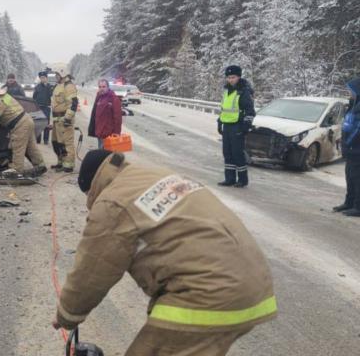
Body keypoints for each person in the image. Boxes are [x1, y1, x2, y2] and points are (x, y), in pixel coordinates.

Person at [53, 150, 277, 356]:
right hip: (254, 284)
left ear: (93, 186)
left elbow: (92, 271)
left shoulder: (112, 201)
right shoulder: (153, 175)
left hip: (208, 295)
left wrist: (67, 314)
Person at [0, 85, 46, 176]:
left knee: (17, 146)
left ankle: (16, 169)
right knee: (30, 145)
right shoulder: (4, 96)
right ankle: (40, 165)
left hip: (19, 125)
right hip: (27, 120)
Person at [217, 65, 255, 188]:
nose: (230, 80)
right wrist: (220, 121)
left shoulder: (243, 91)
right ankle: (230, 179)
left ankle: (242, 180)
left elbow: (250, 111)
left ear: (239, 77)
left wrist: (245, 126)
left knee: (237, 154)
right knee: (227, 153)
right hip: (227, 126)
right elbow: (224, 109)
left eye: (233, 77)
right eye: (228, 77)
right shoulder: (227, 90)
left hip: (237, 126)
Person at [334, 77, 360, 217]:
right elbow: (348, 125)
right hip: (350, 149)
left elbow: (357, 130)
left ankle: (358, 207)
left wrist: (348, 143)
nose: (349, 92)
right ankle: (349, 202)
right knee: (349, 177)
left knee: (357, 178)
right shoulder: (353, 104)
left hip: (356, 149)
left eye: (351, 90)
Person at [51, 72, 78, 172]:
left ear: (62, 74)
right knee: (57, 142)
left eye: (57, 74)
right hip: (56, 120)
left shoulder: (69, 86)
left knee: (66, 143)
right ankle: (61, 162)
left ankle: (68, 165)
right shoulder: (58, 86)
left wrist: (67, 119)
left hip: (64, 120)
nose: (55, 76)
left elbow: (73, 104)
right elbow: (54, 104)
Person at [88, 79, 122, 149]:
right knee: (101, 152)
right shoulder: (99, 97)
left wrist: (116, 132)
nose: (101, 89)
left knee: (106, 154)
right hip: (99, 132)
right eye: (100, 87)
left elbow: (118, 118)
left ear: (108, 87)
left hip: (108, 133)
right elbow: (94, 114)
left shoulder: (113, 98)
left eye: (104, 87)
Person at [33, 71, 54, 145]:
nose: (42, 79)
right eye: (41, 78)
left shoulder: (50, 87)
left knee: (46, 124)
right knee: (38, 123)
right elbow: (34, 97)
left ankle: (46, 139)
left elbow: (52, 95)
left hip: (46, 107)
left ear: (46, 78)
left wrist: (47, 86)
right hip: (38, 107)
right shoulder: (37, 87)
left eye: (44, 78)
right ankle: (38, 139)